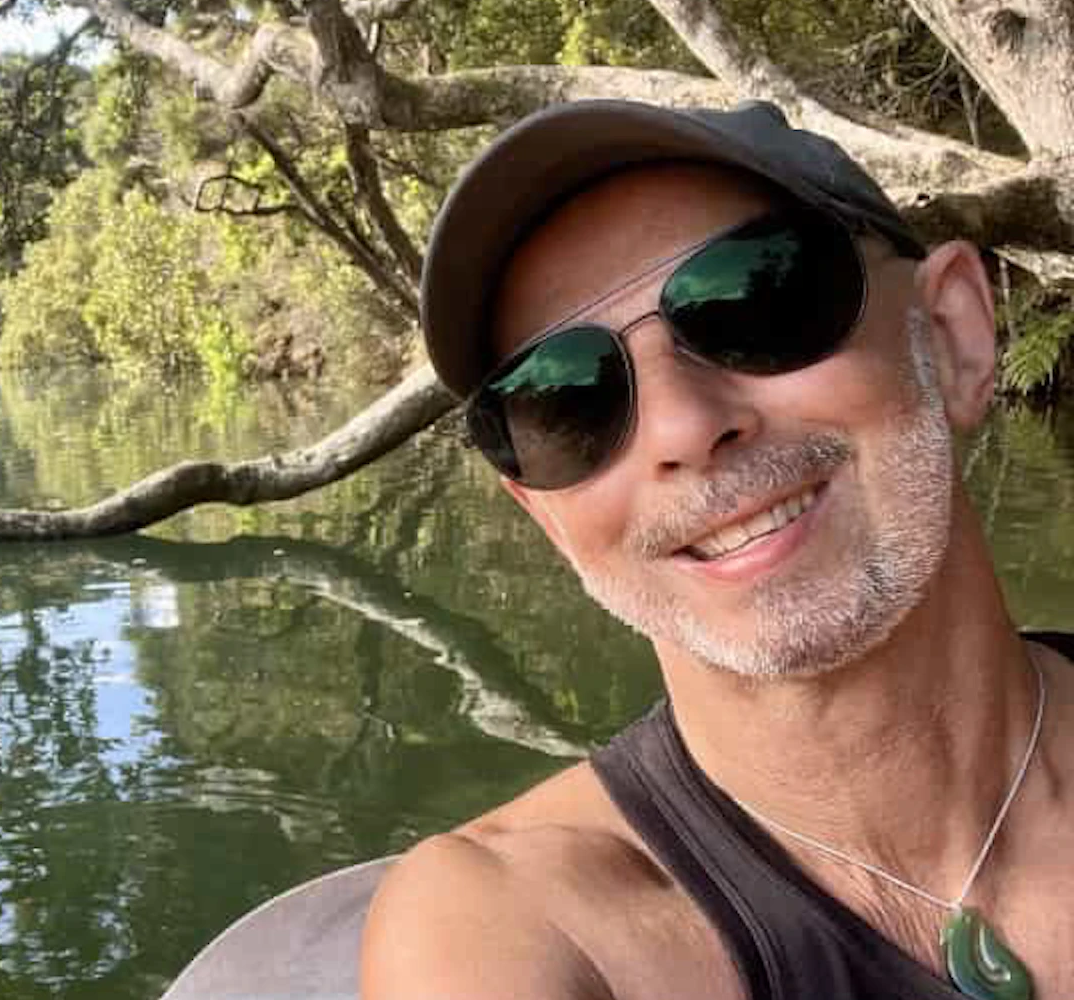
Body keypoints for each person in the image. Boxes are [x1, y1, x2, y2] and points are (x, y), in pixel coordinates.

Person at [360, 100, 1073, 1000]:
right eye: (567, 403)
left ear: (954, 335)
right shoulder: (514, 925)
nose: (684, 428)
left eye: (758, 300)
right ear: (546, 517)